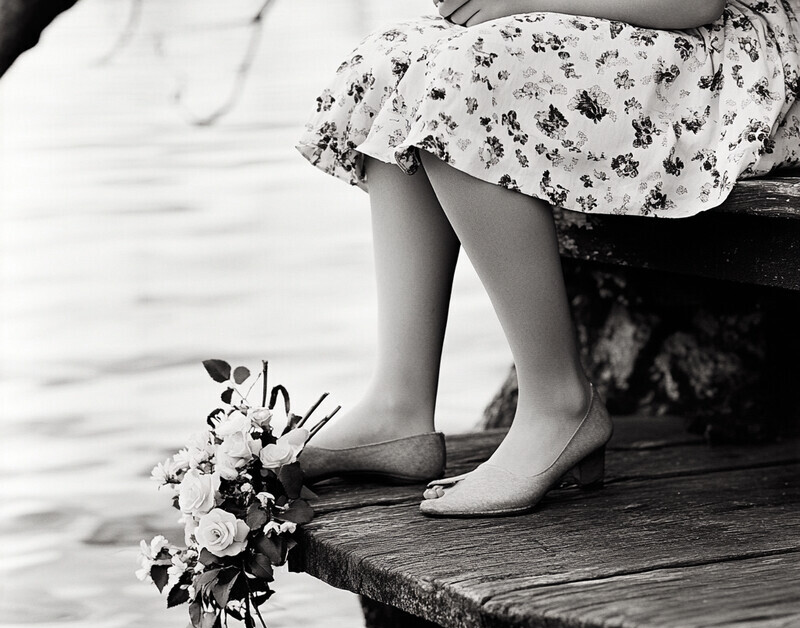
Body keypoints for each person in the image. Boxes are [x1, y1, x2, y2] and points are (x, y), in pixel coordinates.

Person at [295, 0, 800, 517]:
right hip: (644, 28)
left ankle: (558, 403)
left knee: (472, 78)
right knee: (393, 62)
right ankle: (397, 404)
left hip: (743, 58)